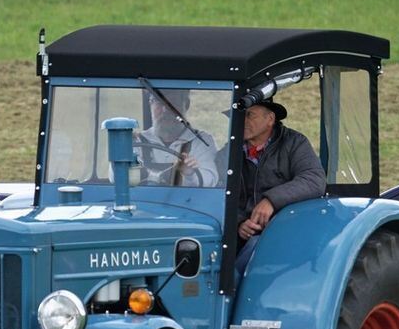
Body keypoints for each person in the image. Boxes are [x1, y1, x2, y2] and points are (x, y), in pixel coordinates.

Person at [235, 99, 326, 272]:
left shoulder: (294, 143)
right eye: (239, 115)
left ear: (270, 119)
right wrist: (239, 223)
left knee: (255, 249)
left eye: (249, 115)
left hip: (285, 229)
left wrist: (270, 201)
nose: (242, 120)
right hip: (240, 234)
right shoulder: (229, 150)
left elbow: (314, 179)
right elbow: (217, 191)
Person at [137, 89, 219, 187]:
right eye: (158, 103)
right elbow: (117, 177)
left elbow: (210, 181)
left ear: (186, 105)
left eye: (173, 103)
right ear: (150, 105)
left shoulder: (201, 141)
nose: (165, 110)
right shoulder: (137, 141)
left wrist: (190, 173)